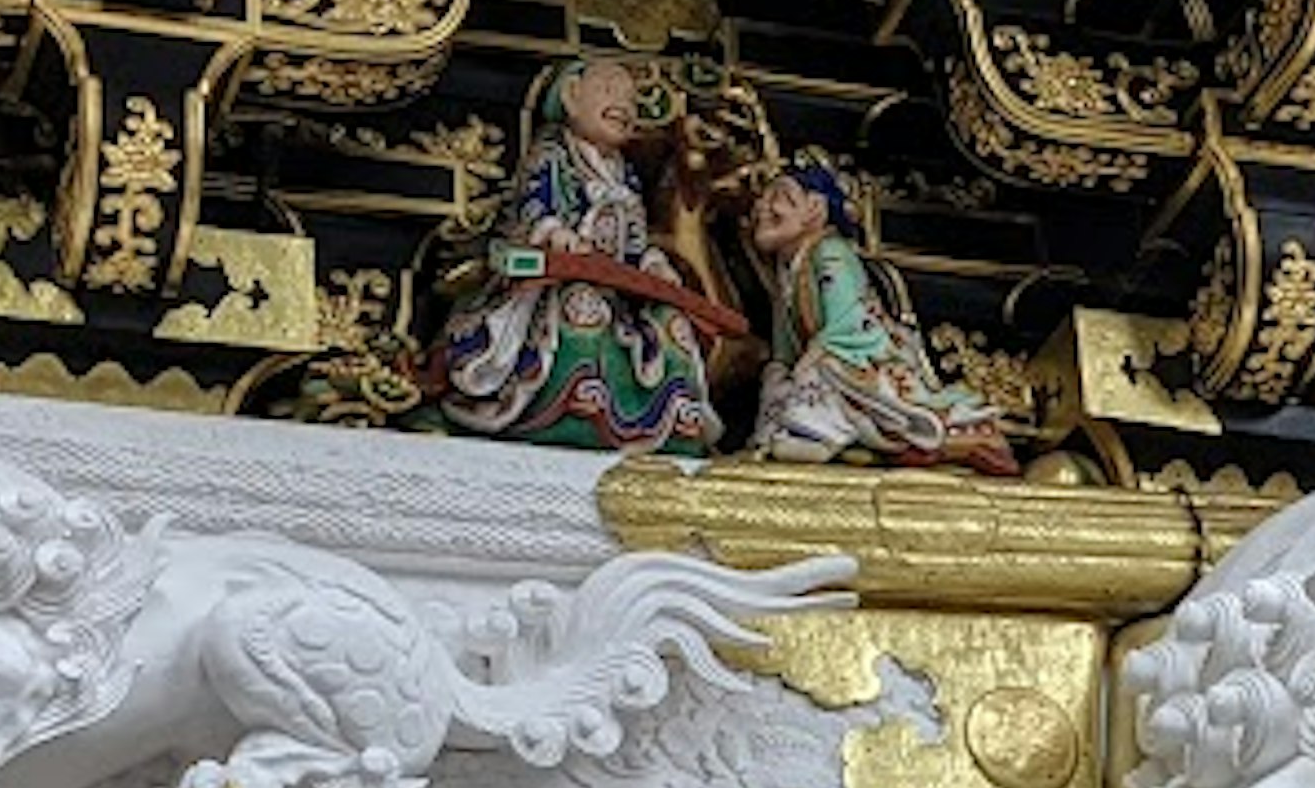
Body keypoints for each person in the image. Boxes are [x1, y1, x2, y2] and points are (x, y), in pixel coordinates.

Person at [423, 54, 724, 453]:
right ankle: (569, 407)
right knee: (583, 311)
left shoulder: (625, 172)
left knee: (674, 326)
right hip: (553, 287)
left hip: (618, 294)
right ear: (571, 96)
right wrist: (554, 233)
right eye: (608, 90)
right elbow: (533, 209)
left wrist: (651, 262)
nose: (623, 105)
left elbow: (633, 238)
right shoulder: (553, 155)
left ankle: (670, 419)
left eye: (631, 100)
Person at [743, 163, 1017, 474]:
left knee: (825, 374)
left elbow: (848, 320)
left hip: (859, 353)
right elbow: (786, 341)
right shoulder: (787, 269)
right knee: (779, 383)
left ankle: (816, 432)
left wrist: (810, 360)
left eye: (780, 197)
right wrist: (780, 370)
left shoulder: (830, 253)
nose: (763, 207)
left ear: (814, 209)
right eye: (763, 198)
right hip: (826, 354)